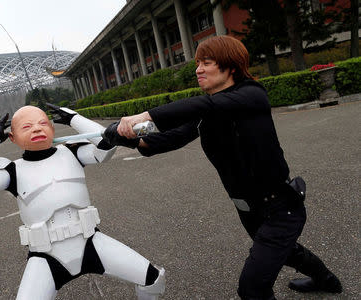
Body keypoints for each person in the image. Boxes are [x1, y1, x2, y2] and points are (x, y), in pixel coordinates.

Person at [104, 35, 342, 300]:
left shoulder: (251, 95)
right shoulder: (207, 113)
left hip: (281, 208)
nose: (198, 69)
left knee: (252, 289)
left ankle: (324, 280)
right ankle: (328, 281)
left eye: (206, 62)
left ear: (230, 66)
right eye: (197, 63)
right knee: (288, 252)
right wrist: (128, 138)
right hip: (249, 210)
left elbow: (204, 105)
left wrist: (143, 116)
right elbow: (165, 140)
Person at [0, 105, 165, 300]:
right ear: (12, 137)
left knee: (154, 279)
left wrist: (73, 118)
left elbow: (106, 145)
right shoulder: (11, 170)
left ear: (51, 127)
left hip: (91, 242)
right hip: (46, 256)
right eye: (27, 126)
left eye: (43, 123)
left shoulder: (72, 152)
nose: (37, 128)